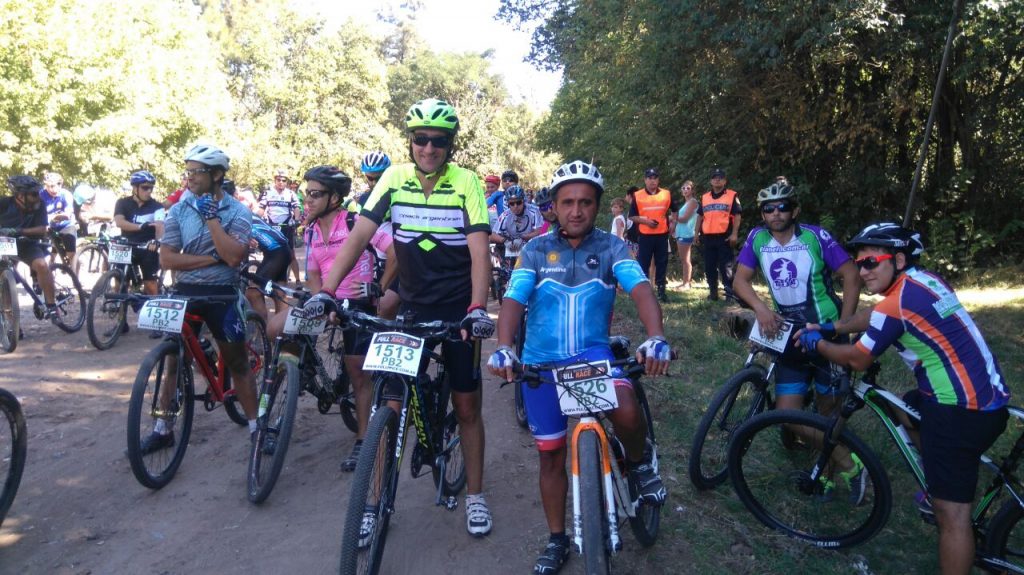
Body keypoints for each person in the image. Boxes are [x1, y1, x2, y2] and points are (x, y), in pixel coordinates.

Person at [307, 98, 496, 537]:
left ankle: (475, 496)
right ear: (410, 141)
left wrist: (477, 308)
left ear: (450, 144)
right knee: (388, 405)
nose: (428, 148)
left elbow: (479, 252)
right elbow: (358, 237)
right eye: (420, 139)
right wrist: (327, 292)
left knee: (467, 407)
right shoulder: (393, 178)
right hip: (412, 307)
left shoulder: (467, 182)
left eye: (438, 141)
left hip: (458, 310)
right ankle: (372, 503)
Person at [486, 160, 671, 575]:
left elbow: (641, 289)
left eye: (585, 202)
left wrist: (656, 335)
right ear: (553, 206)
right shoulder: (535, 250)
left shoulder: (611, 247)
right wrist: (504, 348)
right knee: (550, 457)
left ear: (597, 206)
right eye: (567, 202)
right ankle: (557, 539)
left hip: (592, 359)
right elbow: (513, 300)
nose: (576, 210)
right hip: (541, 366)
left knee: (626, 410)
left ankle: (640, 465)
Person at [796, 222, 1010, 575]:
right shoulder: (926, 282)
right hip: (985, 394)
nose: (862, 271)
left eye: (871, 262)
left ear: (897, 260)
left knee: (952, 517)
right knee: (905, 406)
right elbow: (874, 315)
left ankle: (944, 503)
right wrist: (833, 327)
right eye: (858, 263)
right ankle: (934, 476)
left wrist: (817, 343)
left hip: (960, 413)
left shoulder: (895, 305)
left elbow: (857, 359)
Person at [276, 165, 396, 471]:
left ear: (334, 198)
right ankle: (288, 393)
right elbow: (314, 274)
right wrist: (322, 301)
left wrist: (379, 288)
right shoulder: (311, 231)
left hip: (358, 302)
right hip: (329, 299)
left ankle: (362, 439)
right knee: (276, 328)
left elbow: (395, 251)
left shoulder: (355, 222)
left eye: (315, 195)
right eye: (306, 194)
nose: (307, 200)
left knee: (358, 372)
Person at [146, 143, 258, 454]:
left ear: (217, 175)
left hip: (222, 293)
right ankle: (163, 428)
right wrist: (211, 259)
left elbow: (233, 257)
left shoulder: (238, 211)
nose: (190, 178)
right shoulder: (179, 210)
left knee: (238, 363)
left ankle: (257, 427)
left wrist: (211, 219)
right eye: (188, 172)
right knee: (173, 360)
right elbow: (167, 259)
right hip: (185, 292)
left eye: (196, 172)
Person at [733, 180, 860, 421]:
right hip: (789, 332)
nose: (776, 213)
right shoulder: (757, 238)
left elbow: (852, 275)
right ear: (762, 214)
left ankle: (831, 442)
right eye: (768, 209)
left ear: (795, 211)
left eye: (783, 207)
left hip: (826, 328)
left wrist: (844, 326)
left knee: (829, 414)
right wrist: (761, 309)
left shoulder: (815, 236)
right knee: (786, 417)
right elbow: (740, 280)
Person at [1, 175, 59, 320]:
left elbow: (42, 229)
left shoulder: (40, 205)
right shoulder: (4, 204)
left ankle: (51, 306)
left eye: (38, 193)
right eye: (33, 194)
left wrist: (19, 231)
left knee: (42, 265)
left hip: (27, 243)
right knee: (4, 280)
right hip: (6, 244)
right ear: (20, 196)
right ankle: (11, 322)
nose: (38, 197)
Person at [114, 171, 166, 296]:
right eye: (145, 188)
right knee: (119, 282)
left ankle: (152, 303)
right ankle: (119, 304)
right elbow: (120, 222)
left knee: (150, 284)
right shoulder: (122, 203)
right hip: (126, 245)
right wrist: (140, 226)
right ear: (134, 188)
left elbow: (160, 225)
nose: (149, 191)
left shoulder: (157, 206)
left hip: (147, 246)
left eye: (151, 188)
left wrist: (157, 240)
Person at [629, 168, 677, 302]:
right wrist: (646, 221)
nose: (652, 181)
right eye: (649, 178)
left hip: (662, 234)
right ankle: (643, 292)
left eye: (655, 178)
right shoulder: (638, 195)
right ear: (645, 180)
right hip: (645, 235)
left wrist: (673, 223)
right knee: (643, 263)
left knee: (662, 262)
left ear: (658, 180)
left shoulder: (666, 194)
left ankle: (661, 291)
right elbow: (631, 216)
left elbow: (675, 210)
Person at [694, 166, 742, 301]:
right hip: (708, 238)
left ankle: (729, 293)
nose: (717, 180)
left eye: (720, 178)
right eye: (714, 178)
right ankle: (713, 293)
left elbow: (737, 215)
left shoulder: (732, 196)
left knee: (726, 266)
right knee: (709, 266)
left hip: (724, 237)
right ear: (711, 181)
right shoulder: (705, 197)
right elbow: (700, 216)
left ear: (725, 181)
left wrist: (734, 234)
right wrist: (696, 233)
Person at [258, 168, 302, 283]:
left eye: (283, 180)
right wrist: (256, 219)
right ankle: (270, 277)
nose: (281, 182)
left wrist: (297, 220)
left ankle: (298, 280)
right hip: (272, 227)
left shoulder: (291, 194)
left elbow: (296, 208)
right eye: (278, 180)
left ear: (286, 182)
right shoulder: (268, 193)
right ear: (275, 180)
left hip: (286, 227)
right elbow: (261, 208)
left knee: (291, 254)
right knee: (270, 252)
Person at [489, 184, 543, 269]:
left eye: (518, 202)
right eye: (512, 203)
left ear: (523, 201)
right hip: (510, 245)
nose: (515, 206)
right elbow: (491, 235)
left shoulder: (534, 211)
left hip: (529, 245)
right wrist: (504, 240)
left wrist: (524, 237)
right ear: (508, 204)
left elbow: (539, 232)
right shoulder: (505, 215)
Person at [40, 172, 78, 265]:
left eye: (55, 186)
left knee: (71, 254)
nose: (52, 189)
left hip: (66, 225)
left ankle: (74, 272)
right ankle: (50, 264)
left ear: (60, 185)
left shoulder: (66, 194)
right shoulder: (41, 194)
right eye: (49, 186)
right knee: (43, 250)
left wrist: (55, 217)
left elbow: (68, 214)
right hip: (48, 226)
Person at [674, 180, 698, 289]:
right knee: (683, 259)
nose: (685, 190)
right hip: (680, 233)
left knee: (686, 260)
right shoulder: (686, 202)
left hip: (686, 234)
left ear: (692, 190)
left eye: (688, 188)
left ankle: (686, 283)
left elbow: (684, 219)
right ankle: (685, 282)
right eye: (683, 188)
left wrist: (672, 217)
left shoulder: (692, 202)